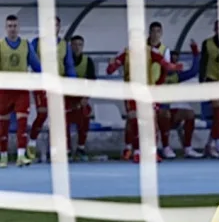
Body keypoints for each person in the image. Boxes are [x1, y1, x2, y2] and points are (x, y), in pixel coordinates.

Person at [106, 24, 182, 163]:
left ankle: (152, 151)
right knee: (135, 120)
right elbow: (111, 68)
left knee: (151, 122)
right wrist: (111, 66)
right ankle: (137, 151)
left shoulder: (151, 51)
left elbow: (164, 64)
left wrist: (175, 67)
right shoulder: (126, 53)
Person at [27, 15, 77, 161]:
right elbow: (31, 61)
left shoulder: (64, 45)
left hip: (58, 84)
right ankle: (31, 142)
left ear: (59, 28)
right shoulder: (36, 42)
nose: (53, 28)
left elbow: (69, 65)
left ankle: (54, 149)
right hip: (41, 83)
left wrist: (72, 82)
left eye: (56, 25)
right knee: (42, 114)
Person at [0, 14, 42, 168]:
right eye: (10, 26)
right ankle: (3, 156)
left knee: (22, 123)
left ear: (19, 28)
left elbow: (36, 66)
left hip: (21, 90)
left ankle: (20, 155)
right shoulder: (0, 45)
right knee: (2, 126)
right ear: (6, 28)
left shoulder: (26, 45)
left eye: (15, 26)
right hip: (4, 90)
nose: (12, 29)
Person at [162, 44, 202, 158]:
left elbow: (193, 71)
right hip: (157, 109)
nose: (174, 64)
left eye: (176, 61)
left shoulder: (176, 76)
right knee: (165, 113)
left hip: (169, 109)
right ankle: (165, 147)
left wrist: (195, 54)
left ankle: (188, 148)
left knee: (189, 114)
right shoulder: (156, 74)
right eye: (171, 61)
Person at [199, 20, 219, 158]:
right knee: (217, 113)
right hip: (212, 80)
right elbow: (203, 62)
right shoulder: (207, 43)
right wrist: (202, 82)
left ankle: (210, 144)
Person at [67, 35, 96, 161]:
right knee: (63, 121)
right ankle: (66, 150)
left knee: (86, 116)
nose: (77, 47)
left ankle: (81, 148)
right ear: (70, 46)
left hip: (81, 97)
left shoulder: (87, 61)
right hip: (67, 97)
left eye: (80, 44)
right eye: (74, 45)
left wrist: (85, 97)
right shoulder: (65, 61)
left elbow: (92, 81)